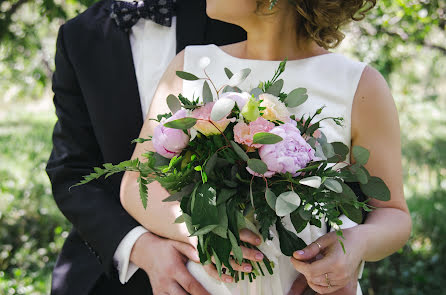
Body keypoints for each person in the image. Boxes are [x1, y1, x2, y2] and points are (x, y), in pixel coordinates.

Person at [119, 0, 412, 294]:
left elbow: (394, 215)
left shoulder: (359, 84)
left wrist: (355, 245)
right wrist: (202, 231)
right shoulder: (191, 66)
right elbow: (135, 183)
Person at [45, 0, 247, 294]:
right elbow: (71, 170)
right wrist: (140, 246)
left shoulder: (230, 12)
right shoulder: (77, 36)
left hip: (226, 257)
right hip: (116, 258)